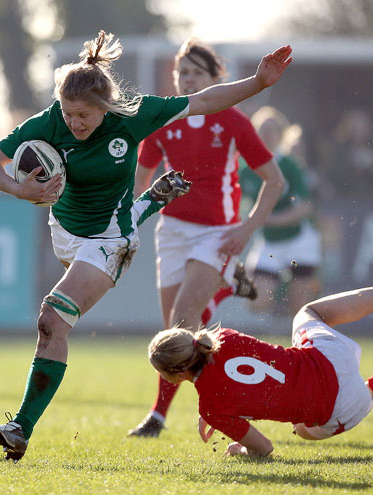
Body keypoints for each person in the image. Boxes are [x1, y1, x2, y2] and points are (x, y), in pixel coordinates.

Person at [0, 30, 292, 462]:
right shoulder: (49, 122)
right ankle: (151, 204)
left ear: (105, 106)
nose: (74, 123)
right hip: (66, 234)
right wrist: (18, 188)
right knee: (65, 319)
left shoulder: (135, 114)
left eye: (84, 115)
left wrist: (258, 82)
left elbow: (203, 101)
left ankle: (20, 428)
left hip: (110, 242)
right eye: (68, 113)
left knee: (52, 320)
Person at [129, 38, 286, 437]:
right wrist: (125, 221)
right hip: (172, 232)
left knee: (182, 322)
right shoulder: (164, 119)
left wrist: (246, 228)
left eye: (197, 73)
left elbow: (275, 181)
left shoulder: (233, 120)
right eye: (183, 72)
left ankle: (160, 417)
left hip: (217, 234)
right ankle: (227, 287)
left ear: (216, 79)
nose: (188, 80)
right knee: (172, 333)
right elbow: (140, 180)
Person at [148, 245, 373, 458]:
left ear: (177, 375)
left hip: (342, 407)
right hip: (330, 357)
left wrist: (240, 447)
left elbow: (264, 448)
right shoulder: (222, 337)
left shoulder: (211, 407)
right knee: (308, 313)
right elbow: (246, 375)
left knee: (303, 429)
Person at [240, 106, 322, 315]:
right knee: (256, 302)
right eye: (262, 129)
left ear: (281, 134)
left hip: (299, 242)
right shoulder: (247, 169)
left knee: (299, 309)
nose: (267, 135)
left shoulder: (290, 165)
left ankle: (289, 290)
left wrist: (270, 219)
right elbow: (233, 199)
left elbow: (305, 207)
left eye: (272, 130)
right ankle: (279, 286)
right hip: (270, 243)